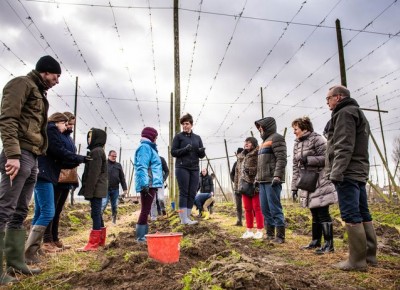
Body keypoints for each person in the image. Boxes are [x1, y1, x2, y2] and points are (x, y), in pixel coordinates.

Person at [0, 55, 61, 282]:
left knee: (20, 211)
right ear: (45, 72)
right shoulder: (21, 84)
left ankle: (16, 263)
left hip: (32, 156)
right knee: (4, 209)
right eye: (56, 75)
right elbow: (8, 119)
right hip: (19, 154)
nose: (57, 80)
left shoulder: (38, 91)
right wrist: (13, 154)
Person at [325, 85, 377, 271]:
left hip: (347, 171)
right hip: (358, 170)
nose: (327, 102)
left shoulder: (345, 113)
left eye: (328, 98)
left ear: (338, 97)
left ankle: (356, 261)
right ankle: (370, 255)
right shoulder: (356, 112)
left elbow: (343, 145)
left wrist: (336, 172)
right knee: (363, 212)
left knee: (350, 214)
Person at [25, 113, 87, 264]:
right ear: (59, 122)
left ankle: (34, 248)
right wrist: (80, 158)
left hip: (45, 174)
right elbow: (59, 152)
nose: (67, 128)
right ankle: (31, 251)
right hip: (44, 174)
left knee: (41, 211)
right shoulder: (51, 130)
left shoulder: (51, 131)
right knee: (48, 212)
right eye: (66, 124)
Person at [291, 116, 337, 254]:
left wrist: (309, 159)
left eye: (296, 129)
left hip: (320, 181)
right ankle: (316, 241)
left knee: (323, 212)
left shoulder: (318, 139)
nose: (294, 132)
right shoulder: (297, 144)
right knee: (314, 212)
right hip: (307, 182)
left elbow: (328, 158)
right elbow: (295, 166)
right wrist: (294, 186)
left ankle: (329, 245)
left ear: (305, 128)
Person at [42, 112, 80, 252]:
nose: (70, 127)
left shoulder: (69, 138)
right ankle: (47, 239)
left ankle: (55, 238)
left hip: (67, 178)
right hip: (57, 176)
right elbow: (59, 152)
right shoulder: (57, 136)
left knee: (58, 210)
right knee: (50, 209)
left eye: (72, 125)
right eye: (69, 124)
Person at [255, 117, 287, 243]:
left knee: (274, 208)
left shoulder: (276, 138)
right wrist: (257, 179)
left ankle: (280, 236)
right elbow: (261, 163)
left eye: (261, 127)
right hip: (262, 180)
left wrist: (277, 176)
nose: (260, 130)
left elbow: (281, 158)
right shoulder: (263, 142)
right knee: (265, 208)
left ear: (267, 126)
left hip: (272, 180)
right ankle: (269, 234)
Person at [171, 113, 206, 225]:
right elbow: (173, 152)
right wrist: (185, 149)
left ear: (191, 124)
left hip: (194, 168)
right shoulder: (178, 137)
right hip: (182, 167)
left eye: (187, 124)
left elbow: (201, 155)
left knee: (192, 193)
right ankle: (183, 218)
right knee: (184, 192)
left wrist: (201, 152)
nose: (185, 126)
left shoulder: (197, 138)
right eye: (183, 124)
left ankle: (187, 216)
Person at [77, 128, 108, 251]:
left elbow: (93, 174)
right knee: (97, 213)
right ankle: (100, 241)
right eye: (88, 136)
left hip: (96, 188)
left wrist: (89, 191)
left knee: (95, 213)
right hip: (99, 187)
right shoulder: (99, 151)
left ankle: (93, 243)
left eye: (91, 136)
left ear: (97, 138)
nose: (88, 139)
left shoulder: (95, 152)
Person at [134, 127, 163, 242]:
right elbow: (142, 166)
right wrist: (144, 184)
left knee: (146, 210)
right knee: (145, 210)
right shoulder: (145, 148)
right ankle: (140, 237)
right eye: (155, 137)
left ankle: (143, 236)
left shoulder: (149, 148)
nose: (156, 139)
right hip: (148, 184)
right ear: (151, 136)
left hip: (151, 184)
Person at [236, 137, 264, 239]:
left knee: (257, 208)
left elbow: (260, 168)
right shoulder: (241, 155)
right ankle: (249, 230)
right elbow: (238, 172)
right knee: (247, 208)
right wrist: (237, 186)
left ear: (254, 144)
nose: (246, 144)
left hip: (255, 184)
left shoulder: (258, 153)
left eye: (249, 142)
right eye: (245, 142)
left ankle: (260, 230)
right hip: (244, 185)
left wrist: (250, 171)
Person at [101, 150, 128, 224]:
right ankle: (99, 220)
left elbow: (122, 177)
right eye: (113, 156)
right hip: (105, 189)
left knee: (115, 206)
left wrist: (125, 188)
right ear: (109, 155)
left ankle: (114, 219)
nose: (114, 157)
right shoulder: (104, 164)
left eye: (115, 156)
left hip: (115, 189)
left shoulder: (118, 165)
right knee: (103, 204)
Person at [150, 156, 169, 220]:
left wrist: (163, 179)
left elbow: (167, 171)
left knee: (160, 198)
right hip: (151, 183)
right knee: (153, 200)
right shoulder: (148, 159)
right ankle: (153, 217)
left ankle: (163, 209)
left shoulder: (161, 159)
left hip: (160, 182)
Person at [230, 147, 244, 226]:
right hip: (237, 188)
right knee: (238, 205)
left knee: (249, 205)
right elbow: (232, 173)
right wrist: (235, 181)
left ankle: (255, 220)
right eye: (239, 154)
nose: (239, 155)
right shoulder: (235, 163)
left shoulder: (247, 162)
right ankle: (239, 221)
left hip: (246, 187)